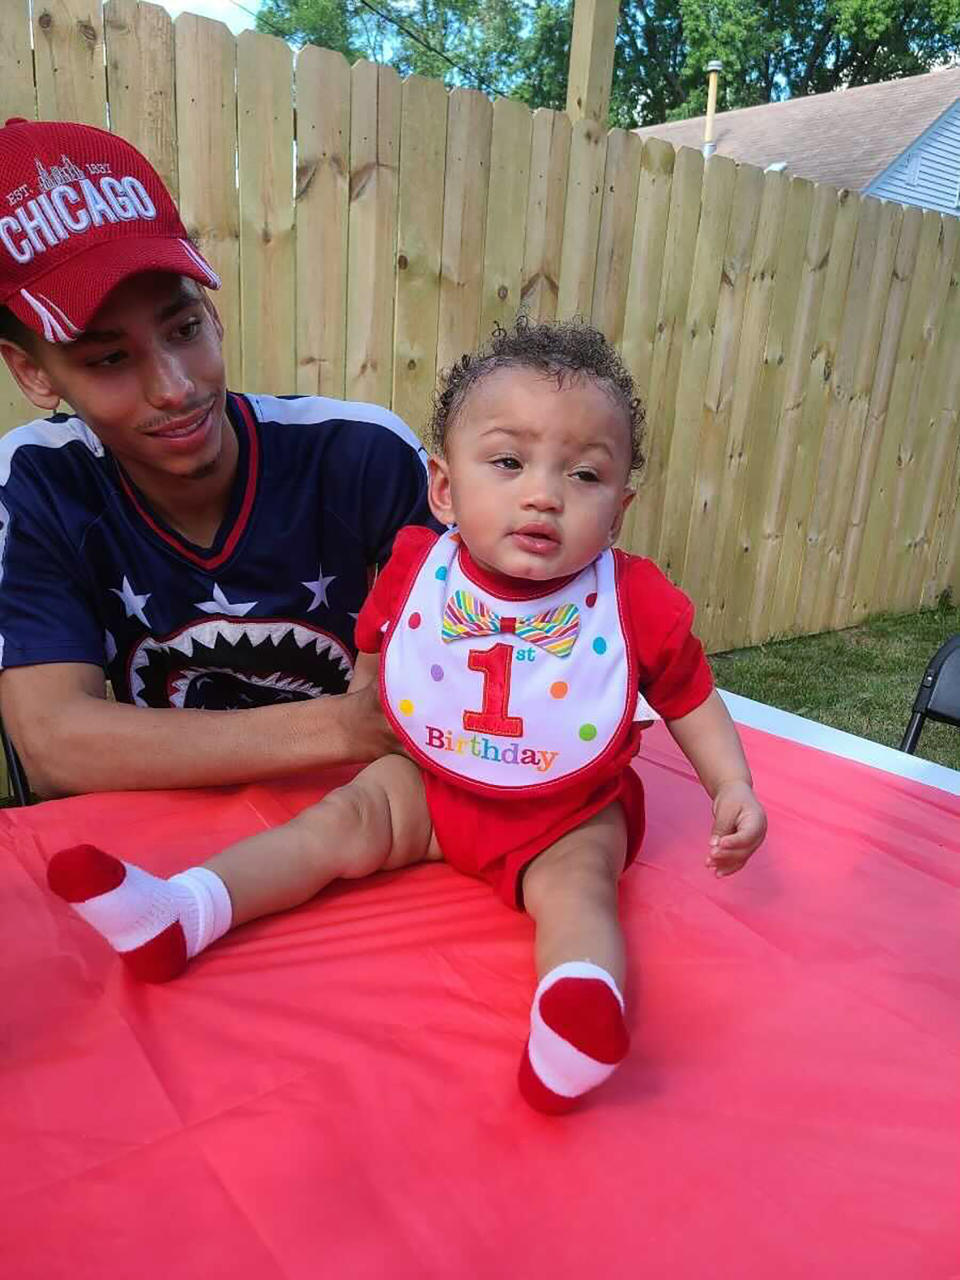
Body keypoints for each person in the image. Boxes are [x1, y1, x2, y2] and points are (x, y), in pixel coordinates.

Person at [46, 318, 767, 1113]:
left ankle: (577, 1010)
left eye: (585, 475)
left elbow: (690, 695)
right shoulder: (420, 566)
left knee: (580, 889)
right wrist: (385, 740)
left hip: (563, 809)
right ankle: (184, 910)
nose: (543, 493)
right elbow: (378, 656)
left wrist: (729, 784)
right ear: (445, 488)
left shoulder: (631, 599)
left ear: (620, 507)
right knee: (333, 824)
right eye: (508, 461)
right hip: (429, 783)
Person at [0, 117, 433, 798]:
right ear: (33, 374)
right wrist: (349, 726)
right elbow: (55, 744)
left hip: (379, 833)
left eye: (185, 327)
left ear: (213, 309)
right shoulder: (37, 482)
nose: (176, 387)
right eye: (109, 358)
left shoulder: (365, 455)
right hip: (171, 860)